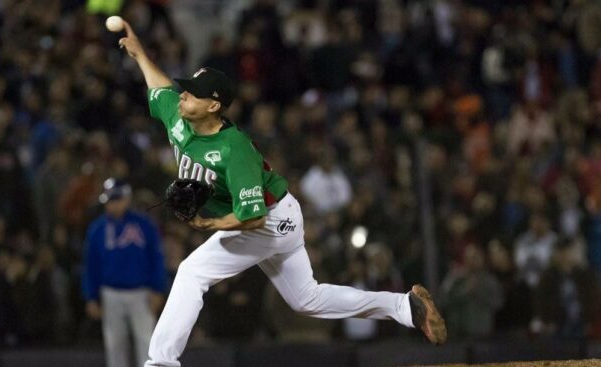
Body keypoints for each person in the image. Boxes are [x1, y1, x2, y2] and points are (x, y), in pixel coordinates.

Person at [116, 20, 447, 367]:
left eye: (192, 92)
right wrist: (140, 55)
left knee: (192, 271)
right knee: (307, 300)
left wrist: (209, 224)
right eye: (185, 90)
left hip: (269, 220)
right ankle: (404, 307)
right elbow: (161, 87)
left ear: (214, 105)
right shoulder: (179, 116)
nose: (182, 95)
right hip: (280, 214)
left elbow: (253, 216)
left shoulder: (234, 149)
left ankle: (161, 363)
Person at [83, 178, 168, 367]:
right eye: (109, 200)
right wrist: (91, 296)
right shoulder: (97, 229)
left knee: (147, 344)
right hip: (110, 293)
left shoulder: (145, 225)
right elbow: (91, 265)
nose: (112, 204)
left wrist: (157, 288)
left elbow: (156, 258)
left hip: (141, 292)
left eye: (116, 199)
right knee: (114, 347)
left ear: (126, 199)